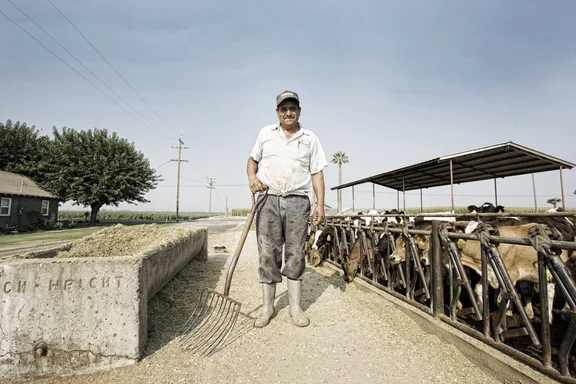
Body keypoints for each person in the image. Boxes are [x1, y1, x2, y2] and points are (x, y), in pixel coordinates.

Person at [247, 90, 327, 328]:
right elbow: (252, 160)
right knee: (267, 253)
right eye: (284, 109)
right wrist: (252, 177)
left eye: (293, 108)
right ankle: (267, 308)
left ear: (299, 111)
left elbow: (317, 173)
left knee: (295, 253)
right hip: (268, 199)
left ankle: (295, 307)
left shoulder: (310, 138)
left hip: (297, 202)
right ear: (277, 113)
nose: (288, 113)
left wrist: (320, 204)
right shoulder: (265, 134)